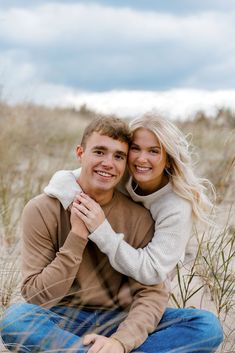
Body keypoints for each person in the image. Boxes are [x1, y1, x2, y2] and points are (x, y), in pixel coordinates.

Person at [0, 117, 223, 353]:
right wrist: (77, 235)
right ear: (80, 153)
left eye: (118, 156)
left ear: (125, 164)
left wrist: (120, 342)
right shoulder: (42, 209)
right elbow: (37, 297)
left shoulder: (145, 216)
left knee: (206, 327)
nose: (108, 163)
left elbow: (151, 292)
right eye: (99, 152)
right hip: (62, 319)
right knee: (16, 318)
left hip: (121, 319)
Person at [44, 114, 214, 285]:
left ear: (169, 160)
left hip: (147, 289)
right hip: (106, 276)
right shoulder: (119, 174)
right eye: (135, 148)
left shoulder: (176, 206)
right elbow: (62, 180)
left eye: (154, 151)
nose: (141, 158)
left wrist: (101, 229)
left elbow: (152, 270)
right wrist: (82, 208)